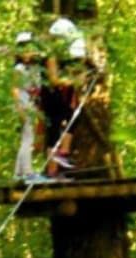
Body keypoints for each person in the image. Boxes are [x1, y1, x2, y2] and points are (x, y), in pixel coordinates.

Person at [40, 16, 88, 178]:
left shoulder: (65, 55)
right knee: (54, 127)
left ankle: (64, 154)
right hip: (51, 95)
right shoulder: (51, 55)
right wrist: (72, 81)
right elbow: (53, 80)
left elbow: (77, 65)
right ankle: (52, 169)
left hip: (62, 94)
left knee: (73, 117)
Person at [12, 31, 43, 181]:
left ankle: (18, 173)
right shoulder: (19, 69)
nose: (27, 53)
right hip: (24, 104)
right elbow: (15, 88)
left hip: (31, 104)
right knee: (28, 138)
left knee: (27, 136)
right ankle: (27, 172)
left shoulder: (34, 69)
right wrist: (20, 109)